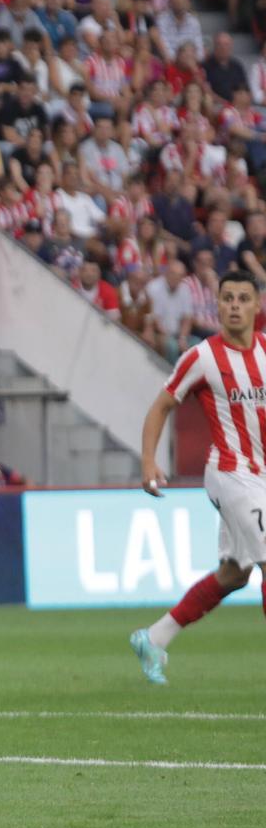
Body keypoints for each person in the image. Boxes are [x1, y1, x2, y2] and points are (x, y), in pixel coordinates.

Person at [130, 271, 266, 685]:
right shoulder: (202, 357)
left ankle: (154, 637)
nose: (235, 305)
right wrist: (149, 461)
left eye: (244, 298)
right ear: (218, 305)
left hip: (260, 477)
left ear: (257, 306)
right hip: (230, 473)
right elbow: (160, 407)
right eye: (228, 298)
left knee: (235, 573)